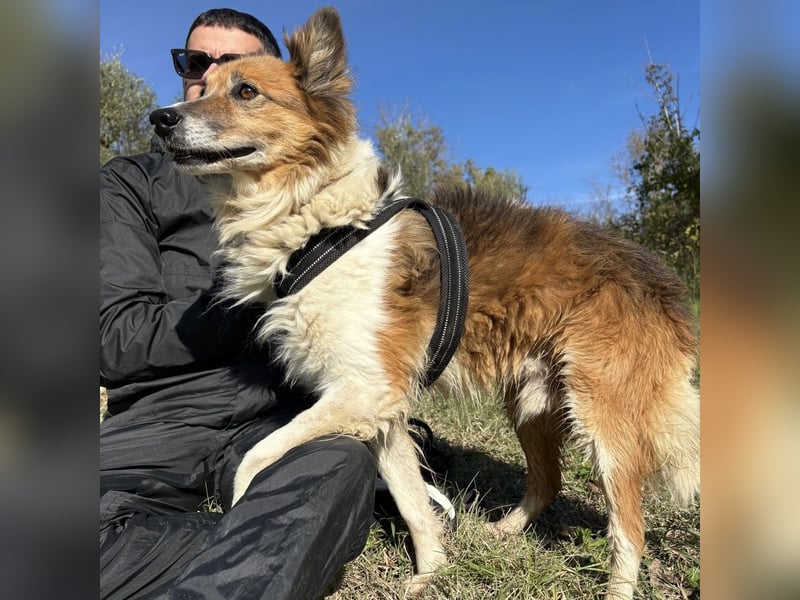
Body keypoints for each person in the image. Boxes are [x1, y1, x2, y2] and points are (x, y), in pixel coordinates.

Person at [100, 9, 377, 599]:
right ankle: (237, 543)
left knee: (336, 465)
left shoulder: (331, 193)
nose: (207, 80)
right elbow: (115, 340)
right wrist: (263, 284)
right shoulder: (129, 183)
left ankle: (228, 552)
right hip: (159, 416)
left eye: (239, 77)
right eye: (196, 64)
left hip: (279, 410)